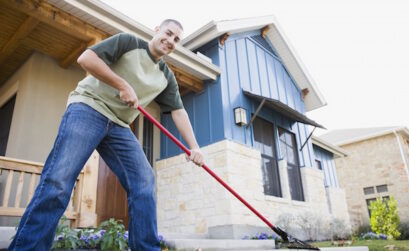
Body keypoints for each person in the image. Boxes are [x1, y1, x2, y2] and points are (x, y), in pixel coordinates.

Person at [8, 19, 204, 251]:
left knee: (144, 181)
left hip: (119, 125)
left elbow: (178, 111)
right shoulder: (129, 42)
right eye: (168, 33)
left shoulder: (165, 77)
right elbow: (86, 59)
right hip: (88, 107)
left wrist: (195, 147)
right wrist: (121, 84)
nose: (170, 41)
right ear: (157, 30)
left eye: (176, 40)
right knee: (59, 181)